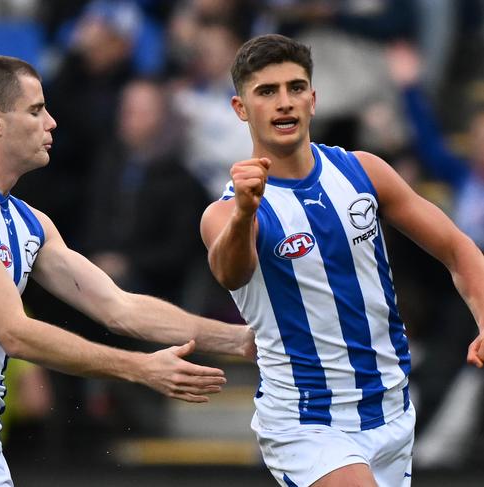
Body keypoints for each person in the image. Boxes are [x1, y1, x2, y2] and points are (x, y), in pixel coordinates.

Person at [0, 54, 254, 487]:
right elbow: (15, 332)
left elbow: (121, 308)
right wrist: (139, 368)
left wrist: (242, 341)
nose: (52, 122)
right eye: (36, 110)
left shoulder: (28, 221)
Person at [200, 34, 484, 487]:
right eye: (267, 92)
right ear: (240, 108)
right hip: (307, 419)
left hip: (391, 409)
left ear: (313, 99)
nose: (284, 103)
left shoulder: (364, 171)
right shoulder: (227, 212)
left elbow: (458, 247)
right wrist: (245, 213)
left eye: (295, 88)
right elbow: (231, 271)